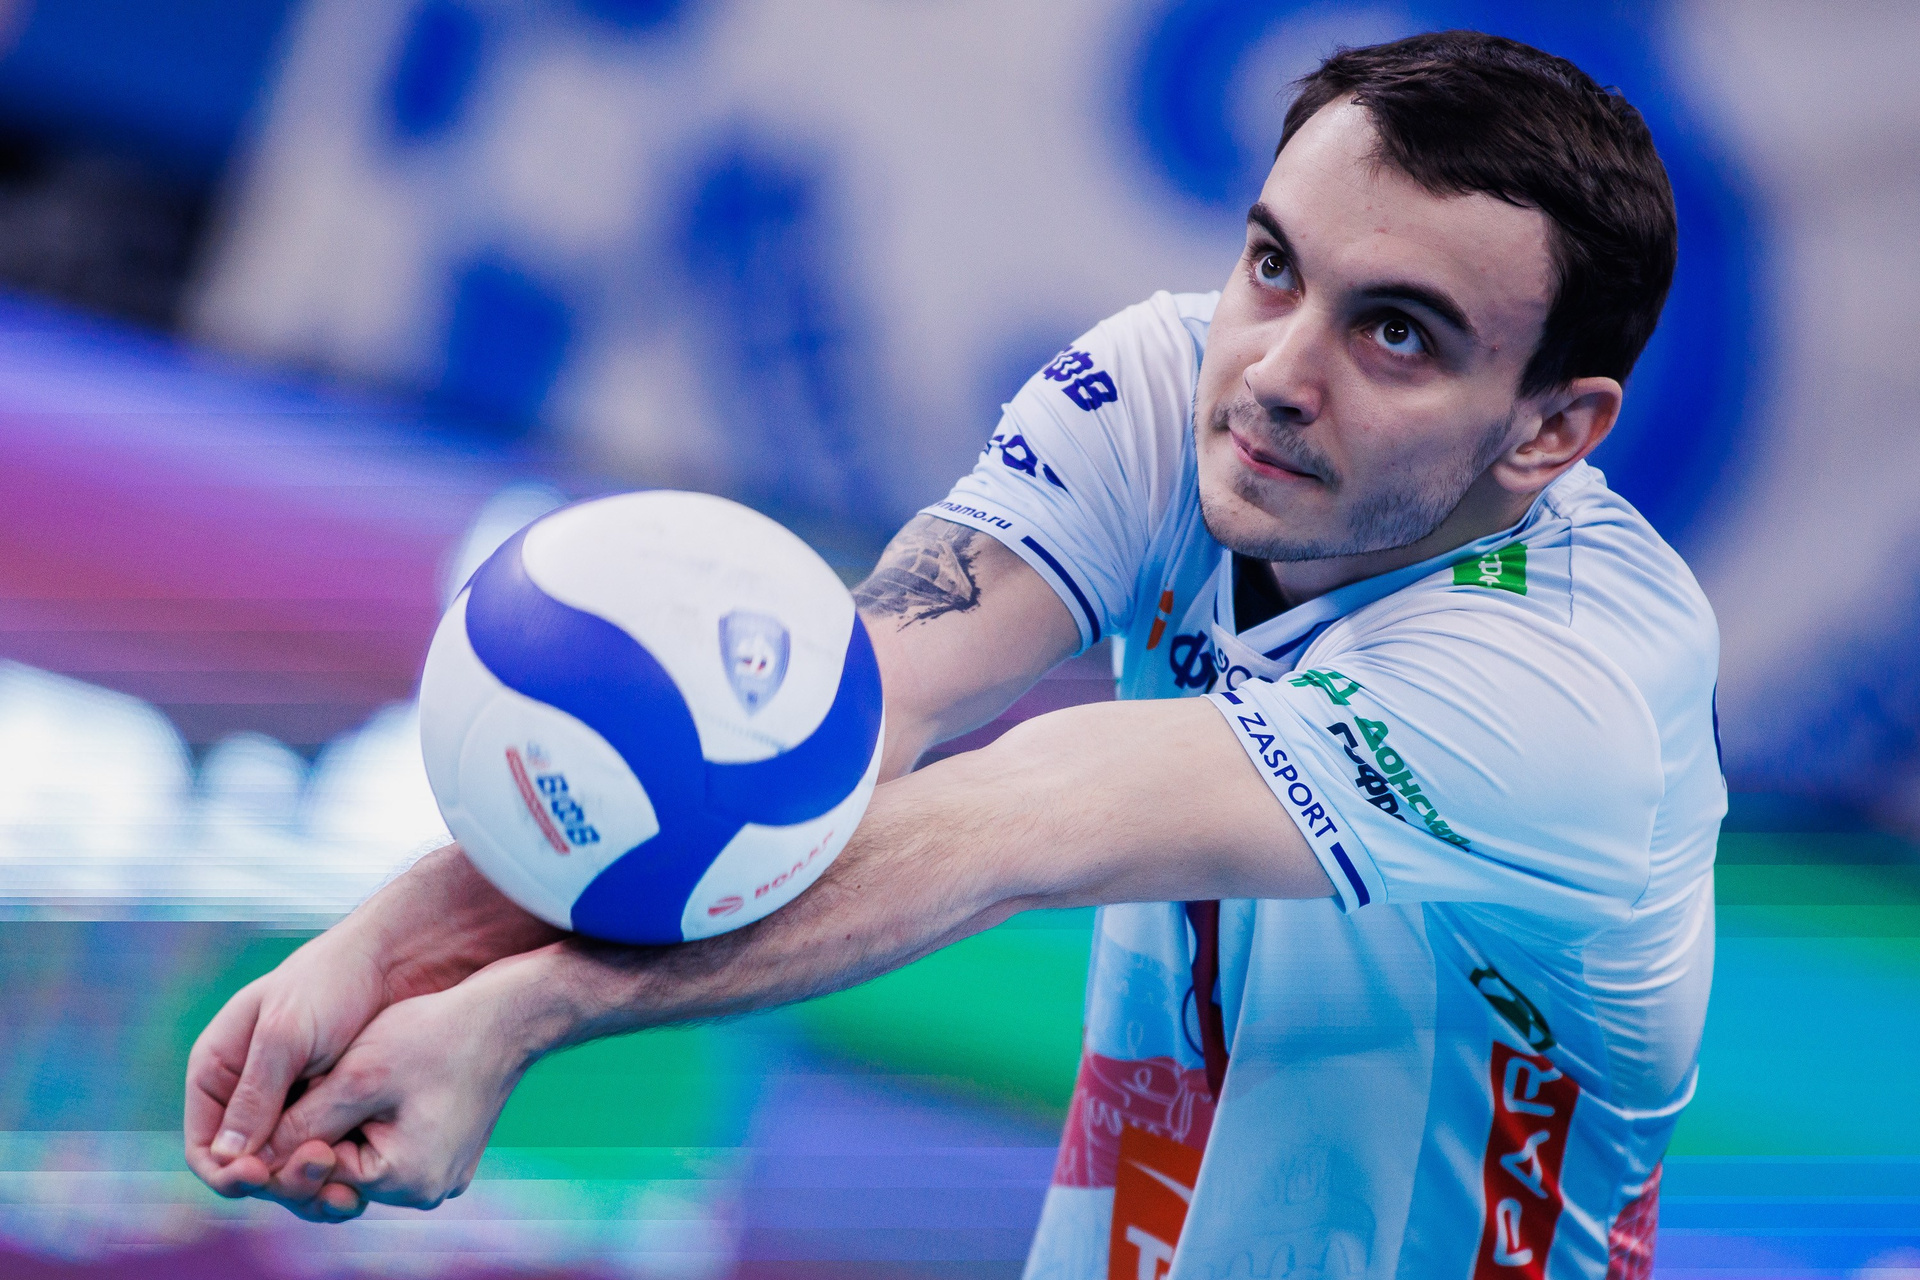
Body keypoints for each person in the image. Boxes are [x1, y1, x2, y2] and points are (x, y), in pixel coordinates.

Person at [185, 30, 1721, 1280]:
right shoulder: (1171, 390)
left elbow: (1013, 823)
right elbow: (820, 735)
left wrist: (520, 1013)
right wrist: (398, 942)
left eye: (1397, 334)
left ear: (1552, 429)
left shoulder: (1569, 695)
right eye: (1273, 265)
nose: (1275, 371)